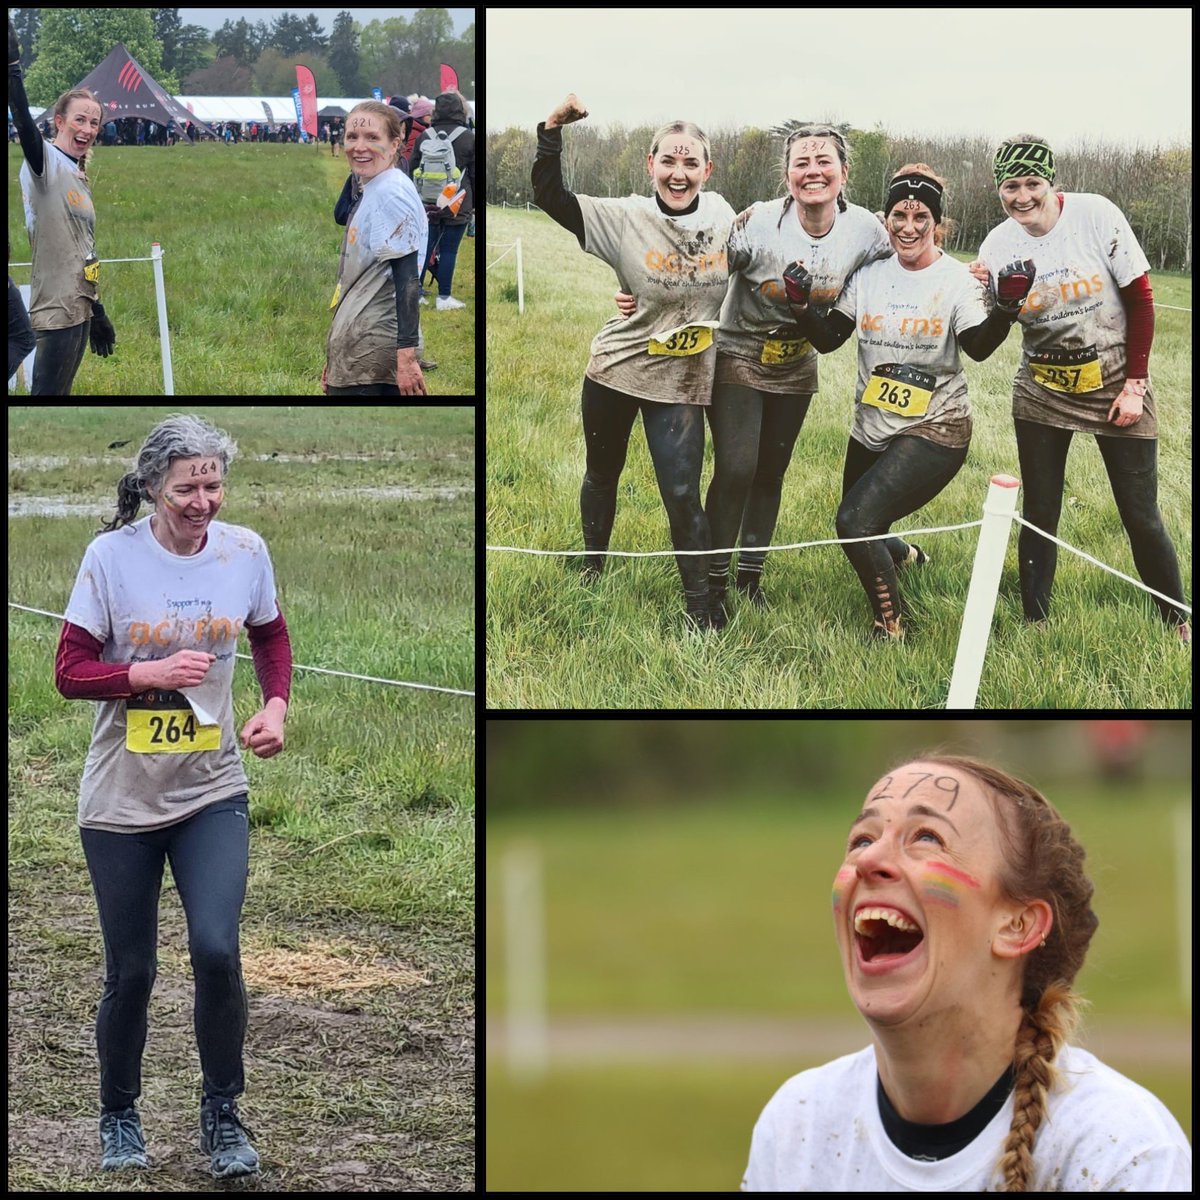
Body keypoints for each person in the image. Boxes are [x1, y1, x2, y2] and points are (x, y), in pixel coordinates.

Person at [742, 755, 1191, 1191]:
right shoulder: (798, 1128)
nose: (867, 860)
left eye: (927, 838)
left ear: (1017, 926)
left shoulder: (1122, 1154)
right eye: (862, 839)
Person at [54, 414, 293, 1178]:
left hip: (211, 789)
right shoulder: (111, 558)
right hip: (120, 803)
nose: (202, 500)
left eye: (213, 483)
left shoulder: (245, 551)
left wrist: (274, 705)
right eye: (187, 485)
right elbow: (67, 671)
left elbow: (270, 635)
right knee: (133, 971)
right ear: (153, 486)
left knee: (217, 952)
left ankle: (223, 1116)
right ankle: (118, 1116)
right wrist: (144, 675)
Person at [786, 166, 1027, 638]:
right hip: (873, 425)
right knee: (859, 524)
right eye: (899, 214)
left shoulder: (956, 280)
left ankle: (891, 625)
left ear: (938, 222)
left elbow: (977, 347)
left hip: (936, 427)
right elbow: (831, 337)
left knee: (854, 521)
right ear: (887, 217)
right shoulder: (870, 275)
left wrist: (1005, 310)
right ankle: (909, 555)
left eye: (921, 216)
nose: (909, 227)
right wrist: (801, 307)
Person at [974, 134, 1189, 642]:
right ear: (998, 189)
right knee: (1041, 510)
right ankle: (1035, 621)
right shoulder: (996, 245)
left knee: (1139, 512)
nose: (1022, 196)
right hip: (1042, 386)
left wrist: (1135, 383)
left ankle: (1177, 619)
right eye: (1010, 186)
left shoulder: (1096, 215)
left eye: (1032, 184)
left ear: (1052, 182)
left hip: (1115, 378)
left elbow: (1140, 300)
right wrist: (991, 296)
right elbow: (991, 331)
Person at [533, 93, 736, 629]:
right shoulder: (625, 217)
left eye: (690, 162)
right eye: (668, 160)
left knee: (680, 492)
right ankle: (592, 567)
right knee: (602, 474)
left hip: (682, 379)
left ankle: (702, 612)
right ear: (651, 165)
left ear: (707, 170)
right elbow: (551, 196)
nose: (678, 172)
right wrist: (551, 129)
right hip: (617, 369)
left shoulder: (725, 218)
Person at [9, 18, 116, 395]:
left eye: (94, 123)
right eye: (79, 120)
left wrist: (98, 310)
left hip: (81, 305)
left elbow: (85, 250)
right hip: (55, 309)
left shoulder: (77, 174)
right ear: (59, 122)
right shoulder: (45, 165)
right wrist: (12, 71)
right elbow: (23, 124)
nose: (87, 129)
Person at [323, 101, 428, 396]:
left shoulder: (391, 193)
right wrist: (335, 358)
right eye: (352, 137)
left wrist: (406, 358)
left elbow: (407, 280)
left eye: (372, 138)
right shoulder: (374, 184)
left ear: (395, 144)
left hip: (375, 351)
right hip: (357, 347)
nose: (359, 147)